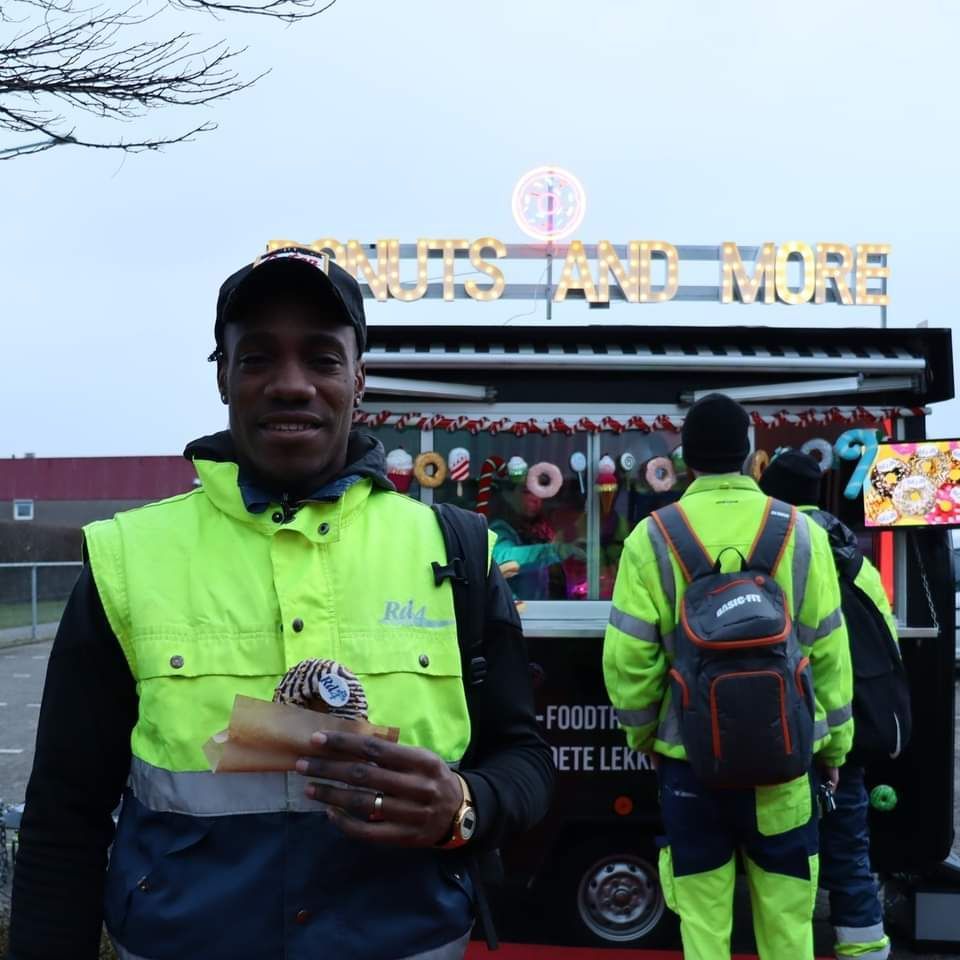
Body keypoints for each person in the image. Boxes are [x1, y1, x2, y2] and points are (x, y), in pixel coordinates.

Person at [9, 246, 555, 960]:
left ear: (360, 378)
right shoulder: (128, 559)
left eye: (323, 359)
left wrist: (464, 805)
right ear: (224, 376)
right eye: (259, 357)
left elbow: (526, 760)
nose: (291, 384)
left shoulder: (457, 551)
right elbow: (64, 819)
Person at [602, 393, 854, 960]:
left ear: (686, 458)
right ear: (749, 454)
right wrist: (832, 747)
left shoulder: (653, 536)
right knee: (789, 928)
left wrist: (648, 738)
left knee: (704, 927)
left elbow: (627, 661)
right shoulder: (802, 533)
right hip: (785, 766)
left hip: (691, 767)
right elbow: (831, 652)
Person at [760, 448, 895, 960]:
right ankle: (865, 950)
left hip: (785, 730)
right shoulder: (854, 556)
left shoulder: (780, 547)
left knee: (783, 857)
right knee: (849, 856)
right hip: (846, 733)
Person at [489, 479, 580, 600]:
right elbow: (502, 558)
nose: (535, 498)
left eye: (539, 491)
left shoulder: (541, 530)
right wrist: (555, 551)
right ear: (508, 495)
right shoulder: (500, 528)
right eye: (526, 492)